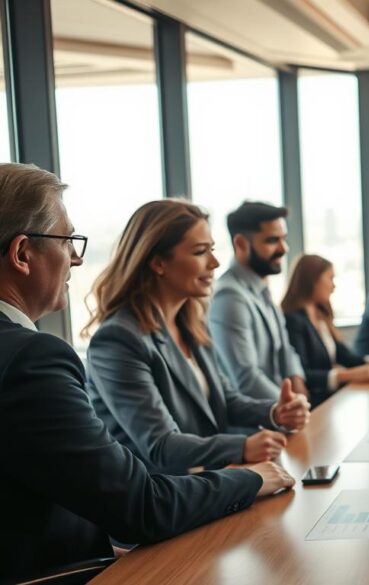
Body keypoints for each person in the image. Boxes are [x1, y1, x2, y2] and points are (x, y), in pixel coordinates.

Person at [0, 163, 293, 580]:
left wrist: (271, 417)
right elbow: (141, 504)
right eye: (68, 241)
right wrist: (249, 477)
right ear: (23, 254)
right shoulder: (34, 358)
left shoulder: (192, 324)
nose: (77, 257)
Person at [84, 200, 310, 475]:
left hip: (204, 482)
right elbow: (161, 446)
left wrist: (275, 412)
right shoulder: (118, 339)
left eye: (212, 250)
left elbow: (225, 399)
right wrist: (242, 446)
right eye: (201, 252)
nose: (214, 263)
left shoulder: (191, 324)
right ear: (157, 262)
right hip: (159, 498)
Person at [209, 201, 309, 401]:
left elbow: (285, 349)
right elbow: (247, 380)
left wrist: (297, 380)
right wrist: (291, 408)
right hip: (258, 424)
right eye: (272, 240)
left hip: (283, 415)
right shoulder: (229, 296)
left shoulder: (262, 288)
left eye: (284, 238)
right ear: (240, 244)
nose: (284, 248)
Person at [282, 254, 369, 407]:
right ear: (312, 280)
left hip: (331, 399)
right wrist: (346, 375)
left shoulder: (320, 314)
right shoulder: (292, 320)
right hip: (312, 404)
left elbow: (342, 355)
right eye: (330, 278)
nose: (333, 286)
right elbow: (301, 374)